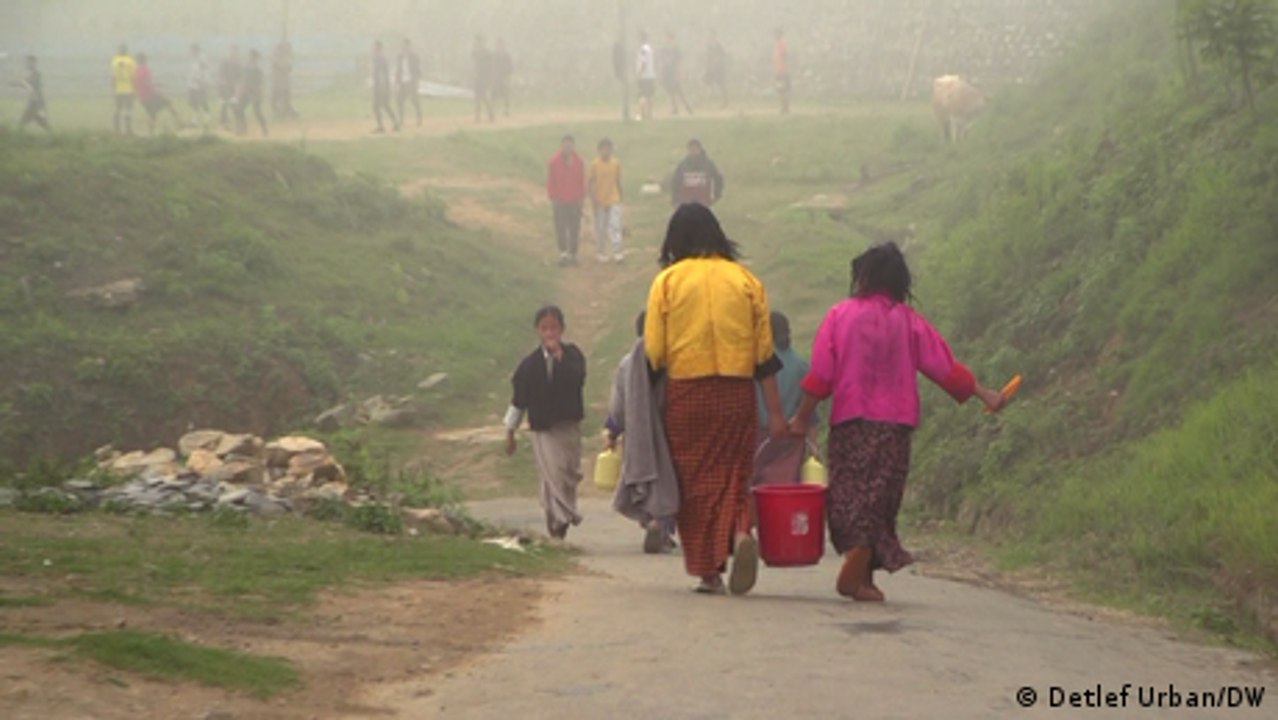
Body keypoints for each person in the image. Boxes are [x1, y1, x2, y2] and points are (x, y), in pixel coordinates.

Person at [788, 242, 1012, 602]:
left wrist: (801, 417)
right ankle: (865, 576)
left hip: (851, 421)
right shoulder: (910, 322)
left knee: (848, 493)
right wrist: (986, 394)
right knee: (880, 497)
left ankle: (857, 553)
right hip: (895, 426)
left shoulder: (839, 315)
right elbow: (946, 369)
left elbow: (821, 375)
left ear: (862, 276)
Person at [644, 203, 787, 596]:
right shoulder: (745, 280)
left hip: (687, 394)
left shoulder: (667, 283)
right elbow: (764, 358)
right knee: (733, 474)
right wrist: (775, 414)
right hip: (736, 392)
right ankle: (741, 532)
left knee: (694, 482)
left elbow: (654, 352)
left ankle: (709, 573)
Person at [503, 305, 587, 540]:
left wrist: (558, 358)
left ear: (562, 329)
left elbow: (577, 380)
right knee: (554, 474)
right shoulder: (529, 366)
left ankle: (562, 520)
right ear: (538, 331)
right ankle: (557, 522)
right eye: (545, 328)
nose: (550, 333)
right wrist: (510, 432)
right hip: (544, 430)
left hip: (568, 427)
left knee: (568, 473)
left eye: (554, 328)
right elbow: (518, 400)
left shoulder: (574, 356)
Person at [607, 311, 678, 554]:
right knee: (668, 482)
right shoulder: (673, 362)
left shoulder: (627, 364)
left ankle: (650, 522)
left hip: (638, 436)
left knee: (644, 480)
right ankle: (663, 527)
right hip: (669, 434)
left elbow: (618, 405)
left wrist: (614, 430)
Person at [753, 311, 819, 486]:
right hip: (791, 441)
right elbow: (811, 415)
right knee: (784, 491)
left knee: (755, 493)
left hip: (758, 439)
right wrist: (814, 448)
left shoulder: (756, 363)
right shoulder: (801, 365)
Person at [546, 134, 585, 267]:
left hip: (574, 199)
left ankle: (573, 253)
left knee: (574, 227)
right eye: (565, 144)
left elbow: (581, 180)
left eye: (570, 145)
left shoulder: (578, 161)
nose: (567, 147)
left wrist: (581, 197)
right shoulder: (554, 161)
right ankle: (563, 252)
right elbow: (551, 179)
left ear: (573, 146)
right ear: (561, 145)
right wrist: (552, 195)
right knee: (560, 226)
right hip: (559, 199)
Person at [587, 138, 624, 264]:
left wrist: (621, 197)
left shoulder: (616, 164)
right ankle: (601, 251)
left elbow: (618, 181)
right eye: (603, 149)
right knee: (601, 227)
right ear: (599, 150)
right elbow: (591, 182)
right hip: (600, 200)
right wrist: (593, 199)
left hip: (614, 198)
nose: (606, 152)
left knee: (615, 225)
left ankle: (617, 251)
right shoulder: (594, 164)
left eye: (608, 149)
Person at [133, 53, 182, 136]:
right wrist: (156, 90)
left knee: (152, 114)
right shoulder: (146, 69)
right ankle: (179, 122)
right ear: (145, 60)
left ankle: (151, 132)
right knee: (167, 102)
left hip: (142, 97)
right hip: (150, 95)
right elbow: (147, 82)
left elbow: (137, 83)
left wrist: (155, 84)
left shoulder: (136, 70)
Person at [670, 139, 724, 208]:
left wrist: (717, 194)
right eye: (691, 149)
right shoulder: (683, 165)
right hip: (685, 204)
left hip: (704, 203)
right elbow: (676, 182)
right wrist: (675, 199)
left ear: (700, 149)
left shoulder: (708, 164)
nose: (693, 151)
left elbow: (718, 178)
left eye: (695, 149)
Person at [235, 49, 268, 137]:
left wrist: (259, 93)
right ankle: (243, 129)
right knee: (239, 109)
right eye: (250, 56)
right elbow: (243, 80)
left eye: (252, 57)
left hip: (255, 92)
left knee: (257, 111)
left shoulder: (258, 69)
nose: (251, 58)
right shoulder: (247, 68)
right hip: (247, 91)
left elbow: (260, 83)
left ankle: (265, 129)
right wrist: (241, 90)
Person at [660, 32, 693, 116]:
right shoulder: (665, 49)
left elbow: (679, 62)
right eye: (668, 39)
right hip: (667, 72)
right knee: (670, 90)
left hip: (673, 72)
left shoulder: (676, 49)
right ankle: (675, 107)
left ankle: (687, 106)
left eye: (670, 39)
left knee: (678, 90)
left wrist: (679, 72)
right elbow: (663, 60)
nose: (668, 41)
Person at [15, 55, 51, 132]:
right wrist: (13, 83)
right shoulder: (32, 75)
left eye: (28, 62)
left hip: (37, 103)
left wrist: (22, 82)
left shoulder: (36, 75)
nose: (26, 64)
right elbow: (24, 84)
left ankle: (17, 138)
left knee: (24, 122)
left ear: (33, 63)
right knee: (42, 123)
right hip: (34, 103)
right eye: (26, 62)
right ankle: (54, 137)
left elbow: (30, 85)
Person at [371, 40, 398, 133]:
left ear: (378, 49)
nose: (373, 50)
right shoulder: (377, 59)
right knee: (383, 106)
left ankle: (382, 126)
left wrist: (382, 87)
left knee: (381, 106)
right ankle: (393, 124)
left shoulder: (381, 59)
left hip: (382, 87)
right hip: (379, 86)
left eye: (375, 48)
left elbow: (383, 74)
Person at [110, 44, 136, 135]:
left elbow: (112, 77)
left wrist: (113, 87)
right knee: (128, 109)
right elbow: (134, 76)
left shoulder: (114, 61)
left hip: (118, 89)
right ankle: (128, 129)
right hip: (129, 88)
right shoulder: (130, 61)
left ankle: (116, 129)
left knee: (117, 109)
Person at [396, 39, 422, 128]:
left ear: (409, 46)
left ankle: (419, 116)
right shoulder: (400, 57)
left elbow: (418, 70)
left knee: (414, 100)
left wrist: (416, 81)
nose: (404, 48)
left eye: (405, 46)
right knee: (399, 101)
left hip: (411, 81)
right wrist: (397, 80)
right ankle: (401, 119)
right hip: (403, 81)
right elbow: (398, 69)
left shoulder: (414, 57)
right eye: (403, 46)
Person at [187, 44, 212, 132]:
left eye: (192, 50)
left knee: (202, 101)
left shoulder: (202, 59)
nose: (191, 52)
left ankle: (207, 119)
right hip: (193, 84)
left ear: (196, 50)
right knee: (194, 102)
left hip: (200, 83)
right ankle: (194, 121)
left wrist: (203, 81)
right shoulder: (195, 60)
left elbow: (206, 70)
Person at [271, 40, 298, 120]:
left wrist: (284, 68)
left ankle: (289, 114)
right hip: (277, 82)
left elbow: (288, 68)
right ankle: (285, 113)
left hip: (284, 82)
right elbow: (277, 67)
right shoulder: (276, 59)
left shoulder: (286, 59)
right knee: (274, 100)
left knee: (285, 100)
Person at [217, 45, 242, 131]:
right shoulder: (224, 63)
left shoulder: (238, 64)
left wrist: (237, 90)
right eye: (231, 51)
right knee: (224, 105)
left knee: (234, 105)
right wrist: (223, 85)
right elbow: (220, 77)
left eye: (235, 51)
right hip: (224, 88)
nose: (233, 53)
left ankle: (237, 124)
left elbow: (239, 78)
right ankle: (224, 124)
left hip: (232, 88)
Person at [472, 35, 494, 123]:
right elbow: (474, 61)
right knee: (477, 97)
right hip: (478, 77)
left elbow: (489, 66)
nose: (478, 44)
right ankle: (478, 115)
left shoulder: (487, 53)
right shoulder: (475, 52)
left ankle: (490, 113)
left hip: (484, 77)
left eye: (480, 42)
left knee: (484, 96)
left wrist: (488, 78)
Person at [634, 31, 656, 121]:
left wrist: (639, 73)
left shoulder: (643, 49)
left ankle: (642, 114)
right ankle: (649, 114)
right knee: (649, 95)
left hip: (644, 76)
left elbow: (643, 62)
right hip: (651, 75)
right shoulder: (649, 48)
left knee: (642, 95)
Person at [490, 39, 513, 118]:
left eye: (500, 45)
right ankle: (492, 110)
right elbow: (492, 66)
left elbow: (510, 67)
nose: (498, 47)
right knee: (494, 94)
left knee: (505, 94)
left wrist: (507, 76)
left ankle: (506, 109)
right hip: (496, 78)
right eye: (497, 45)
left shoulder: (506, 56)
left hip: (504, 77)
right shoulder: (494, 56)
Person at [704, 32, 728, 108]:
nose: (710, 37)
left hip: (718, 68)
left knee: (721, 84)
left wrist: (718, 59)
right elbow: (707, 56)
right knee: (707, 82)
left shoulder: (719, 45)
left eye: (711, 36)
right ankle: (705, 99)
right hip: (710, 68)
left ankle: (725, 101)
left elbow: (723, 55)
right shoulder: (708, 46)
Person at [773, 28, 791, 115]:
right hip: (779, 69)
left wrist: (784, 69)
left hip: (782, 70)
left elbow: (785, 55)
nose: (775, 36)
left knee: (783, 89)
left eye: (776, 34)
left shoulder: (782, 43)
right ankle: (783, 107)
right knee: (780, 89)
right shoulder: (777, 44)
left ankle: (785, 107)